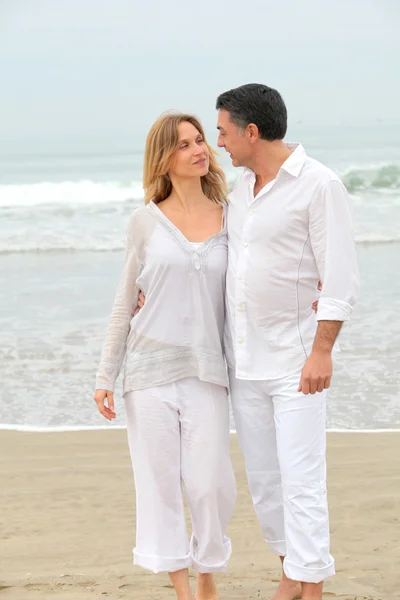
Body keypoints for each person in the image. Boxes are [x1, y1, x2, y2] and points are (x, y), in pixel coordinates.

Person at [215, 84, 360, 600]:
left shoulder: (320, 185)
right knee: (265, 485)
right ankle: (291, 574)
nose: (219, 144)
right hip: (244, 362)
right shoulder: (237, 191)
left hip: (296, 361)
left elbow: (340, 278)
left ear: (251, 132)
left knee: (302, 482)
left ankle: (311, 587)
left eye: (224, 132)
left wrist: (322, 351)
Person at [93, 112, 237, 600]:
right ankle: (186, 590)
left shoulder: (231, 214)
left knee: (209, 485)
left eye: (201, 140)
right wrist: (104, 375)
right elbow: (123, 302)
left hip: (208, 371)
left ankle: (209, 576)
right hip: (148, 372)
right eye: (184, 145)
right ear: (164, 158)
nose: (199, 149)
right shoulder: (145, 223)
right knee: (160, 487)